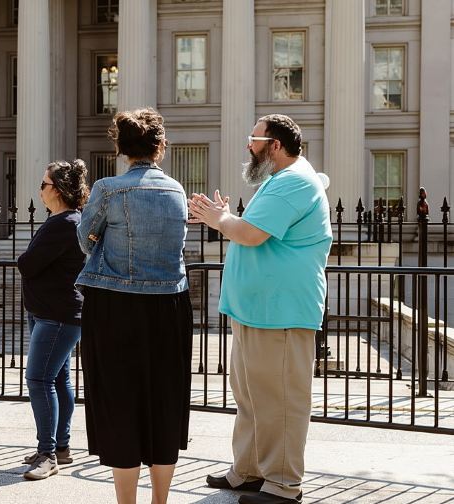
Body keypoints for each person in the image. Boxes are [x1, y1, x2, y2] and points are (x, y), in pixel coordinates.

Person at [188, 114, 332, 504]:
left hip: (280, 312)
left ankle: (283, 485)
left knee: (280, 400)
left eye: (253, 139)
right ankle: (249, 471)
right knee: (251, 396)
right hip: (260, 310)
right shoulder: (279, 181)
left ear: (276, 146)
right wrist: (225, 218)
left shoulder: (293, 183)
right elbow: (248, 227)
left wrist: (220, 220)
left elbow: (251, 234)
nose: (247, 146)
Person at [76, 108, 193, 504]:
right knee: (164, 400)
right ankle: (160, 501)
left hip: (114, 305)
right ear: (160, 147)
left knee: (119, 401)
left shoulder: (108, 188)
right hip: (169, 305)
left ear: (120, 148)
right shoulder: (176, 190)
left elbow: (85, 239)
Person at [17, 159, 89, 481]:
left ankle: (47, 453)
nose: (41, 190)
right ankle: (60, 447)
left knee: (39, 380)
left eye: (44, 184)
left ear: (57, 190)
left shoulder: (63, 224)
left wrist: (23, 258)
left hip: (56, 316)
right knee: (59, 379)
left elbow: (28, 264)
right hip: (53, 312)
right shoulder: (68, 220)